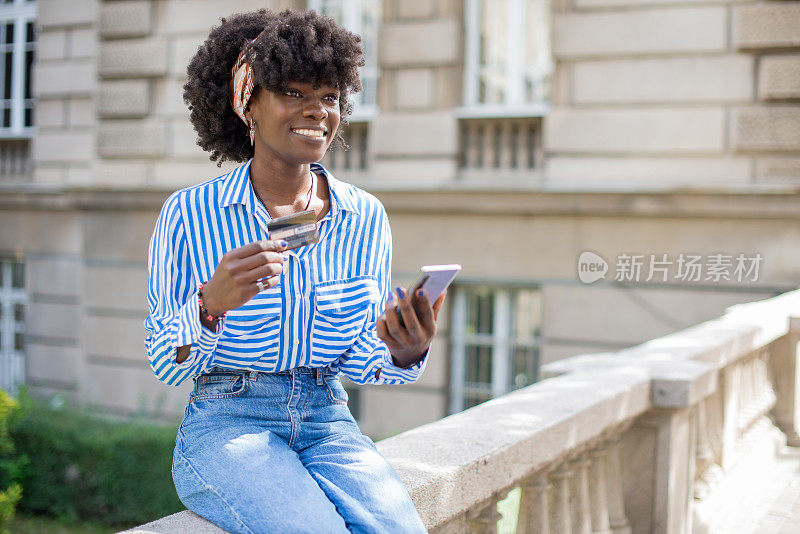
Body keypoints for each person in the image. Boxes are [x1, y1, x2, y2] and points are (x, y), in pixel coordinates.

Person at [143, 8, 445, 534]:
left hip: (328, 420)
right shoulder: (188, 215)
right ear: (248, 105)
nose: (317, 111)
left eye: (329, 97)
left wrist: (405, 348)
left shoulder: (364, 217)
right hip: (228, 424)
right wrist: (208, 306)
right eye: (294, 93)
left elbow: (357, 360)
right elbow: (168, 365)